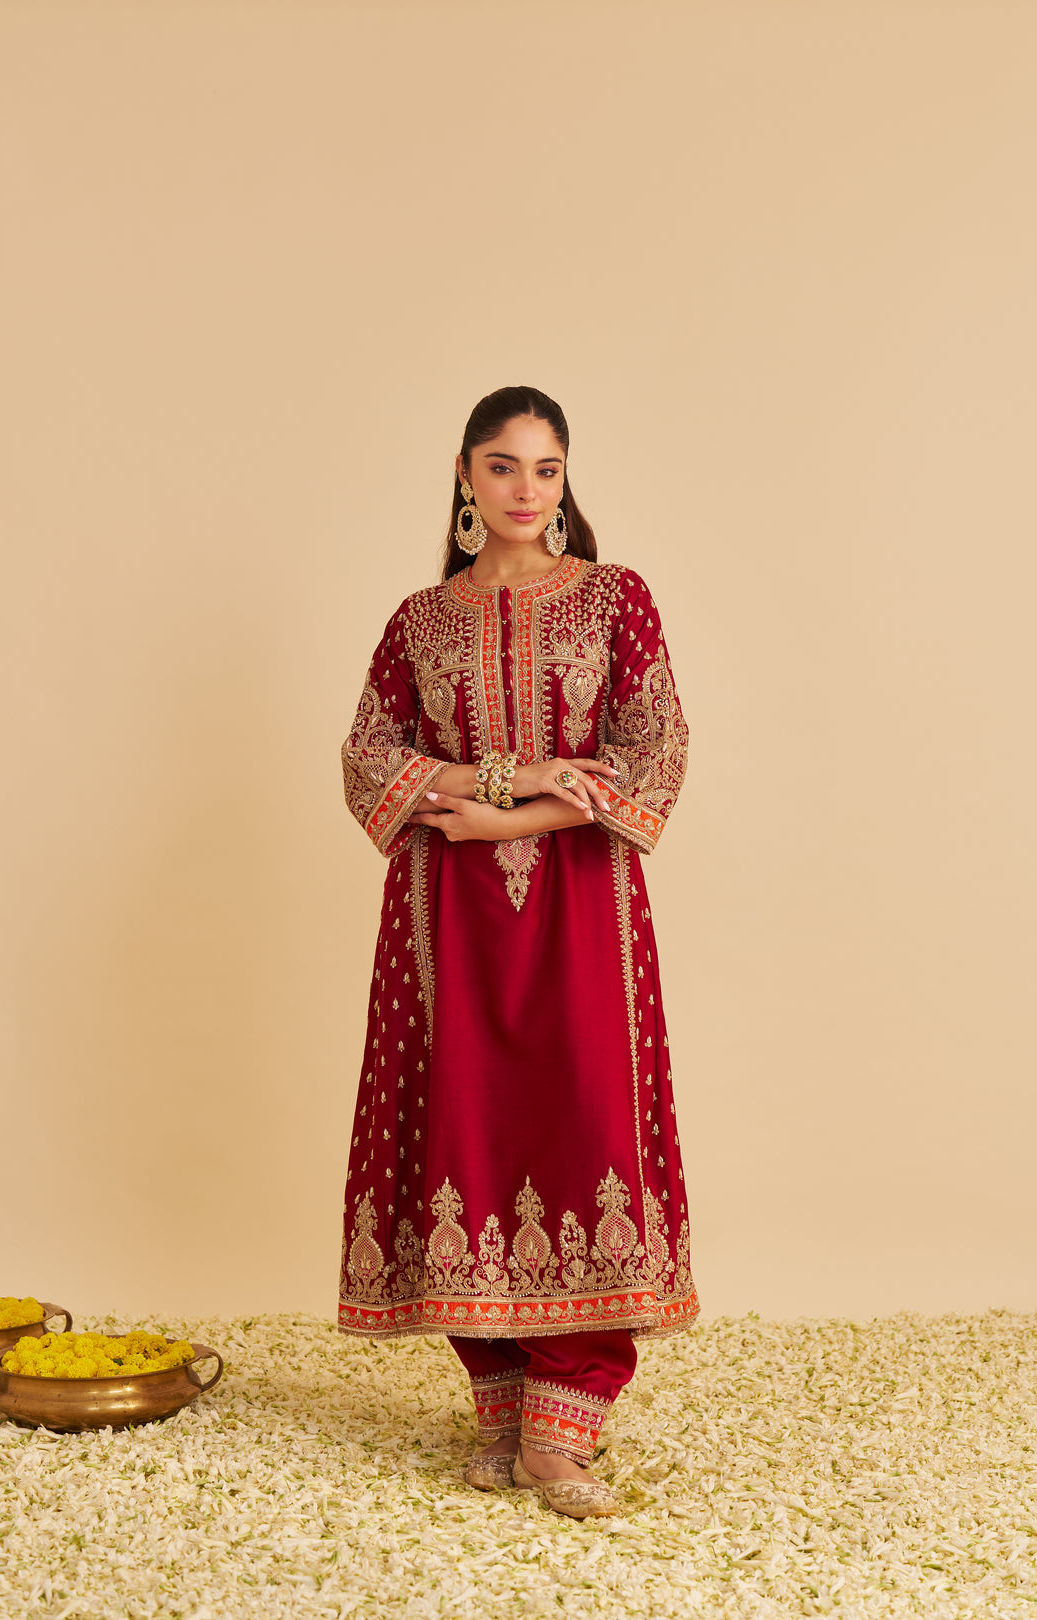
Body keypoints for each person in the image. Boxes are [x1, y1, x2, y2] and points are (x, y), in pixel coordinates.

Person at [338, 385, 698, 1519]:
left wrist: (511, 814)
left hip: (585, 904)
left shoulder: (616, 599)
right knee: (462, 1122)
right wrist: (521, 778)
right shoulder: (417, 620)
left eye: (545, 471)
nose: (526, 492)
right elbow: (368, 756)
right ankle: (502, 1407)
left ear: (565, 480)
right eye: (503, 468)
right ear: (463, 474)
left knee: (587, 1114)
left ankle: (565, 1431)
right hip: (446, 919)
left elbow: (656, 750)